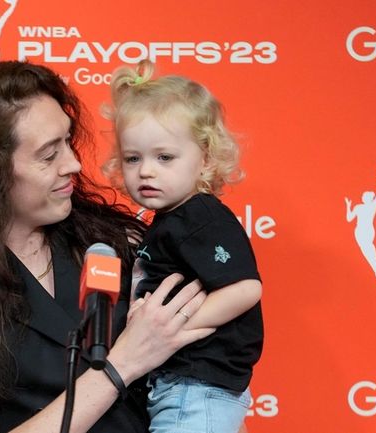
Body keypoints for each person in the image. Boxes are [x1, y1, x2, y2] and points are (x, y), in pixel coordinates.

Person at [0, 59, 215, 433]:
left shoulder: (123, 242)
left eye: (68, 141)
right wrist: (121, 364)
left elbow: (210, 393)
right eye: (49, 154)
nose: (73, 163)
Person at [103, 60, 263, 433]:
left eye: (164, 158)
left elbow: (245, 288)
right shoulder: (169, 220)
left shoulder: (200, 215)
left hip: (198, 388)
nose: (145, 171)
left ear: (204, 157)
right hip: (176, 386)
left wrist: (172, 327)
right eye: (133, 158)